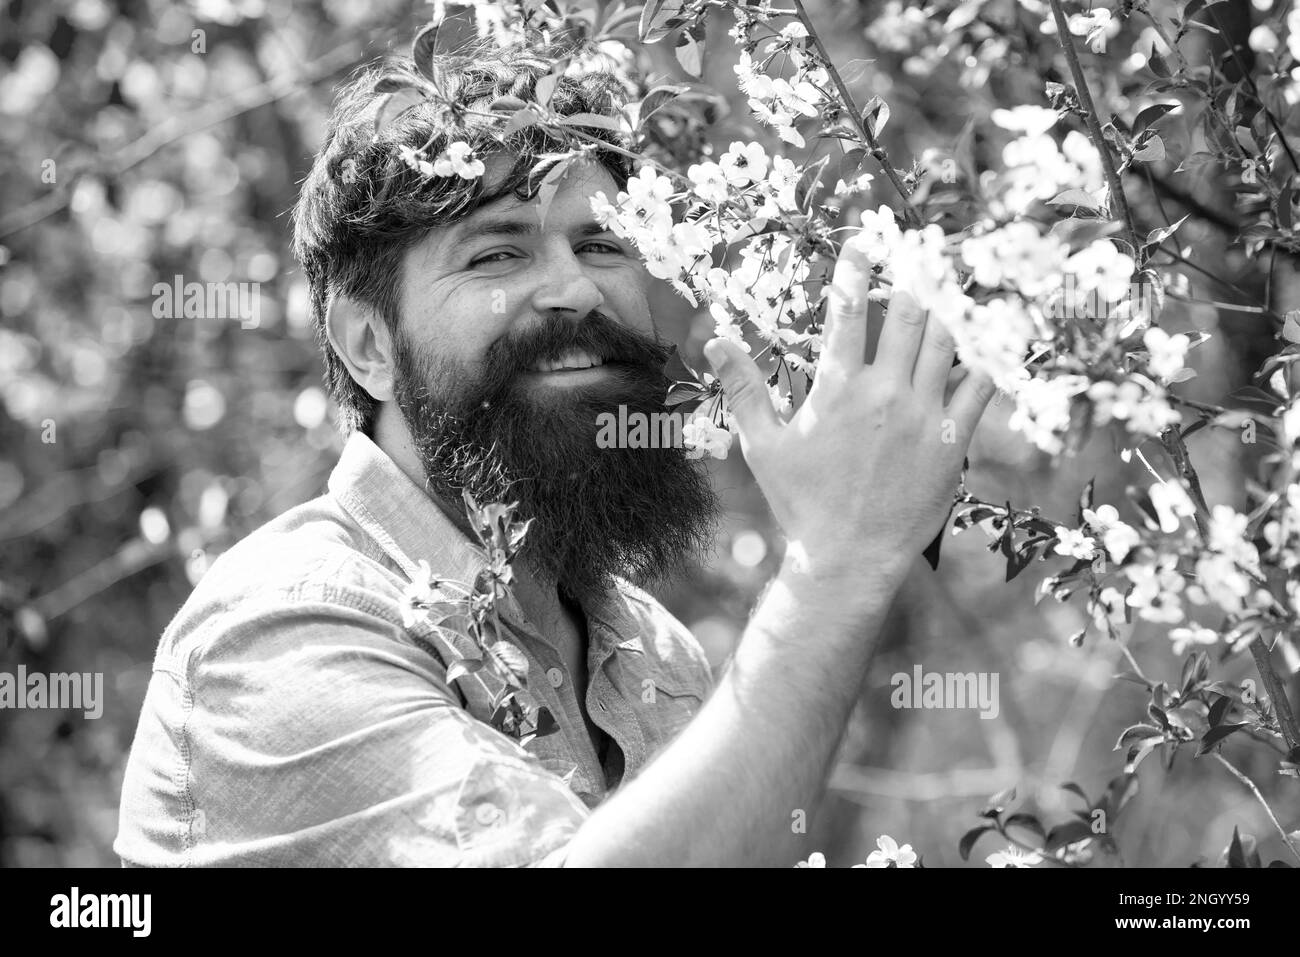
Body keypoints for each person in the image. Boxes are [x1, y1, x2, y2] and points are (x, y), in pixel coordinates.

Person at [114, 35, 995, 867]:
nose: (574, 289)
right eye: (497, 253)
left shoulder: (659, 657)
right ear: (368, 345)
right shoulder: (279, 637)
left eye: (602, 241)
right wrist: (837, 566)